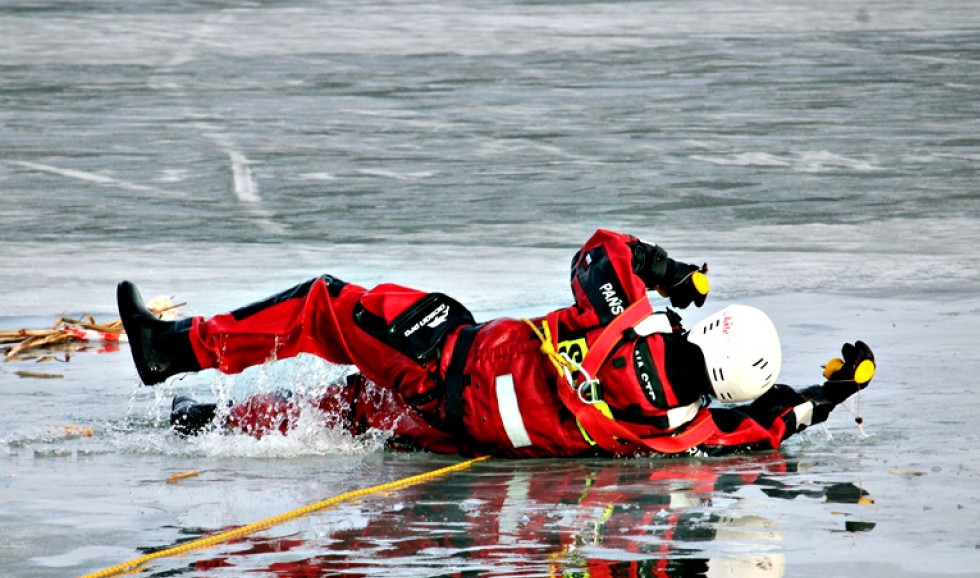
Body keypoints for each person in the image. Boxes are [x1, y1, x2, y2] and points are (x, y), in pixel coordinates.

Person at [117, 229, 875, 458]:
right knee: (349, 409)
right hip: (459, 429)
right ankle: (201, 423)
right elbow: (773, 422)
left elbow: (599, 250)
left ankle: (174, 350)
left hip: (453, 359)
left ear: (710, 327)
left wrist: (670, 272)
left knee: (324, 305)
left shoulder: (632, 320)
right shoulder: (685, 431)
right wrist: (835, 391)